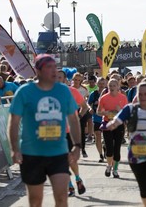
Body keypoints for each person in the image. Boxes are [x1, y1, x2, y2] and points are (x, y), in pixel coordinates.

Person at [8, 54, 81, 207]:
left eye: (55, 67)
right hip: (32, 153)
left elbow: (73, 119)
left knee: (62, 197)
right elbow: (14, 122)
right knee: (35, 201)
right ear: (38, 71)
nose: (54, 71)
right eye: (49, 67)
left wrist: (77, 146)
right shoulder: (24, 92)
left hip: (58, 153)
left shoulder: (63, 91)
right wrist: (15, 149)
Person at [106, 82, 146, 207]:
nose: (143, 96)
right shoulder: (130, 109)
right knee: (144, 188)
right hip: (136, 154)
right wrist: (111, 125)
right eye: (140, 94)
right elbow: (116, 121)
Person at [57, 69, 87, 197]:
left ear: (65, 80)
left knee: (71, 160)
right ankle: (69, 186)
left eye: (60, 77)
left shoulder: (72, 91)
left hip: (69, 131)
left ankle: (78, 178)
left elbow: (84, 106)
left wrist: (78, 117)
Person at [97, 78, 128, 178]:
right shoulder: (104, 98)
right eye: (110, 86)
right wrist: (104, 112)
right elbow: (98, 111)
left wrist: (120, 111)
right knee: (109, 148)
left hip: (118, 125)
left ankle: (115, 170)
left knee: (117, 148)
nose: (112, 88)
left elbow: (127, 112)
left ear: (118, 87)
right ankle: (109, 165)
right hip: (107, 124)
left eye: (114, 85)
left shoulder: (123, 98)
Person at [88, 77, 107, 163]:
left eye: (103, 83)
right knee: (97, 135)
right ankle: (100, 155)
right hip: (96, 118)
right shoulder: (94, 94)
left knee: (106, 137)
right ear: (97, 84)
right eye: (100, 83)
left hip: (107, 118)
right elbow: (88, 104)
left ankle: (106, 147)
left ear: (106, 84)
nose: (101, 85)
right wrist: (90, 109)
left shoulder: (108, 93)